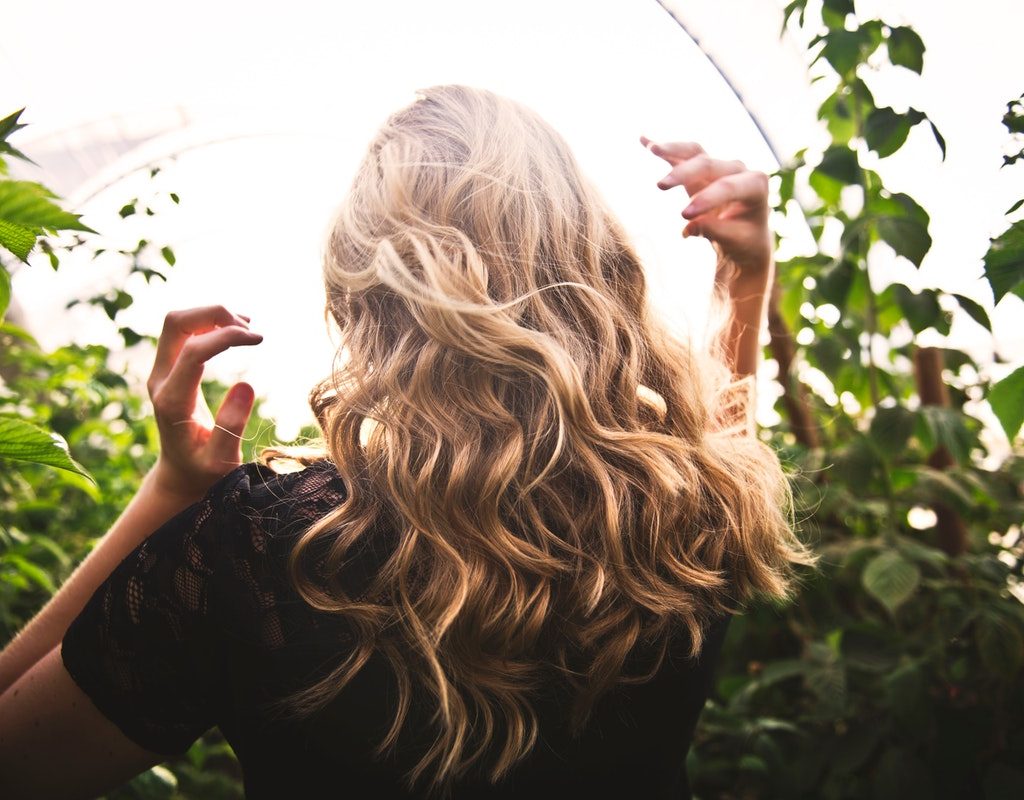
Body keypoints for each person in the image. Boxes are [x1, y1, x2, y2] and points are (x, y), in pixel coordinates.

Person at [0, 85, 812, 799]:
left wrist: (172, 494)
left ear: (362, 290)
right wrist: (743, 278)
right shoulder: (693, 511)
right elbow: (716, 441)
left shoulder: (265, 550)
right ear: (591, 259)